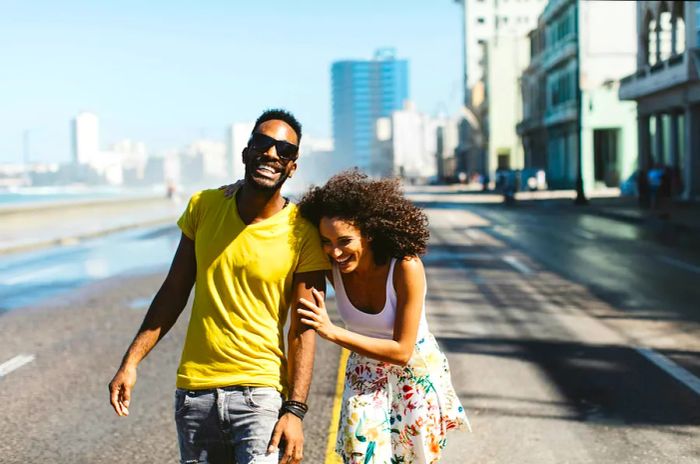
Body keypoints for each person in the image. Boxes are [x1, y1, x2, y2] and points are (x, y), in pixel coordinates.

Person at [108, 109, 329, 464]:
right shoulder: (204, 206)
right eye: (263, 143)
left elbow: (303, 328)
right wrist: (131, 361)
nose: (272, 154)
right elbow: (174, 291)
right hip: (195, 395)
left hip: (260, 396)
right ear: (246, 152)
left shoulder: (302, 230)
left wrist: (296, 410)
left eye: (284, 151)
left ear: (292, 167)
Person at [296, 170, 469, 464]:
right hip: (365, 372)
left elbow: (402, 351)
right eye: (326, 241)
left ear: (370, 232)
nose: (335, 251)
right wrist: (240, 191)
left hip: (414, 375)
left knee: (412, 459)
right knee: (362, 456)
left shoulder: (405, 266)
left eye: (344, 240)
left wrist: (331, 331)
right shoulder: (332, 267)